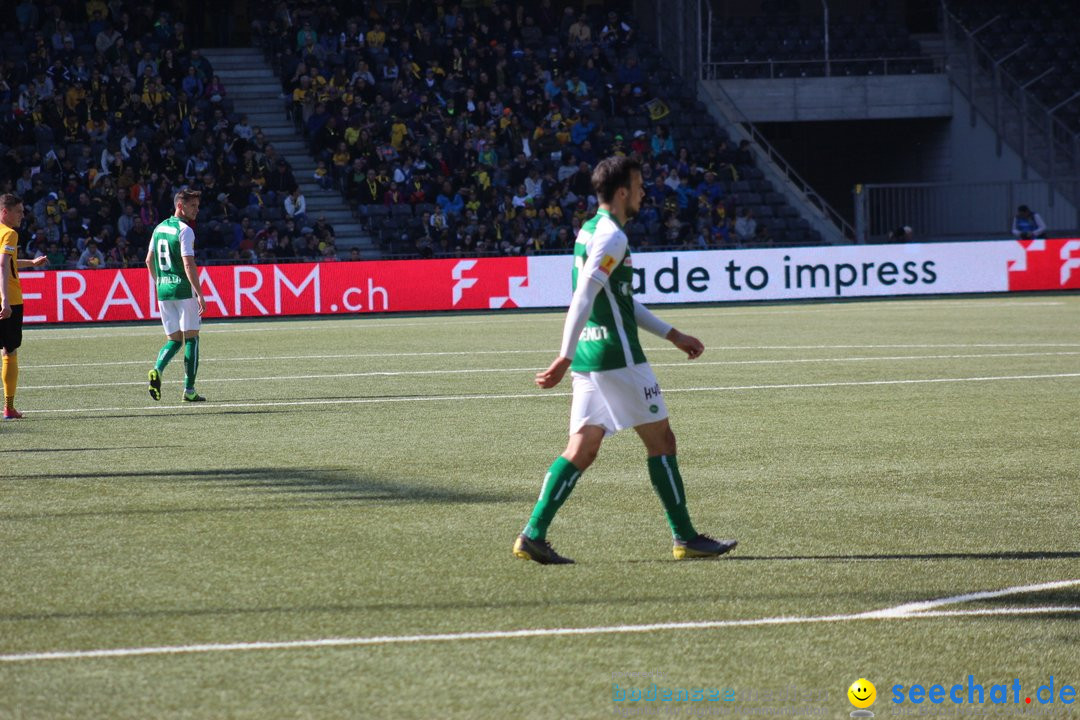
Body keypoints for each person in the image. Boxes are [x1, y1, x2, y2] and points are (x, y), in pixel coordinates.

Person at [512, 157, 737, 565]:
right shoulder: (612, 238)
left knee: (581, 448)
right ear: (621, 193)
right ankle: (685, 537)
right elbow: (583, 294)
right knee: (662, 442)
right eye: (639, 186)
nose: (643, 193)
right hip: (618, 357)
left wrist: (673, 334)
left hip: (591, 357)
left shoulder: (589, 230)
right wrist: (563, 354)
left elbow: (618, 300)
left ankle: (532, 534)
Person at [145, 188, 207, 403]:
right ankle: (189, 390)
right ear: (180, 205)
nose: (196, 210)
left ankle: (157, 369)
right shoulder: (185, 230)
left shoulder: (159, 228)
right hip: (183, 291)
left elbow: (148, 260)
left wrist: (159, 282)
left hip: (163, 291)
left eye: (197, 206)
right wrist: (199, 293)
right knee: (192, 339)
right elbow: (188, 263)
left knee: (173, 340)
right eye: (192, 206)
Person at [0, 194, 49, 419]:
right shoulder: (10, 233)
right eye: (18, 211)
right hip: (10, 301)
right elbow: (2, 265)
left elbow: (8, 262)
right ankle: (9, 407)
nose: (22, 215)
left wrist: (30, 262)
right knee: (10, 351)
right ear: (5, 212)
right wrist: (5, 300)